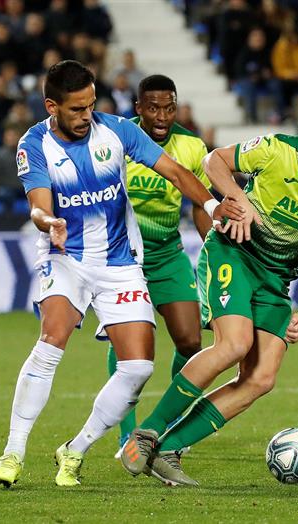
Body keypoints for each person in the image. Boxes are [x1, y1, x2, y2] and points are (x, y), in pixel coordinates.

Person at [0, 60, 245, 488]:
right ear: (52, 106)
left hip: (120, 261)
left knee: (139, 367)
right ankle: (12, 453)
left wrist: (213, 206)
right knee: (52, 339)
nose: (86, 116)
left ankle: (75, 450)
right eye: (76, 109)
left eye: (91, 105)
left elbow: (176, 172)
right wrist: (49, 223)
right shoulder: (34, 144)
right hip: (65, 255)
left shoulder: (117, 131)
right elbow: (38, 205)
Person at [120, 108, 298, 486]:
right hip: (234, 253)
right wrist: (238, 198)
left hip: (276, 279)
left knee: (261, 378)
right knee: (234, 345)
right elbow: (213, 161)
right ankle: (147, 432)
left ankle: (168, 449)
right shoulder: (275, 149)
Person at [107, 74, 214, 456]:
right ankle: (126, 435)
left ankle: (166, 428)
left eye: (169, 108)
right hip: (124, 256)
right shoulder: (117, 140)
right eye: (153, 108)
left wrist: (214, 247)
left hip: (168, 252)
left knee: (190, 340)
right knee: (131, 348)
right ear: (138, 108)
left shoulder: (191, 146)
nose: (162, 116)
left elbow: (200, 203)